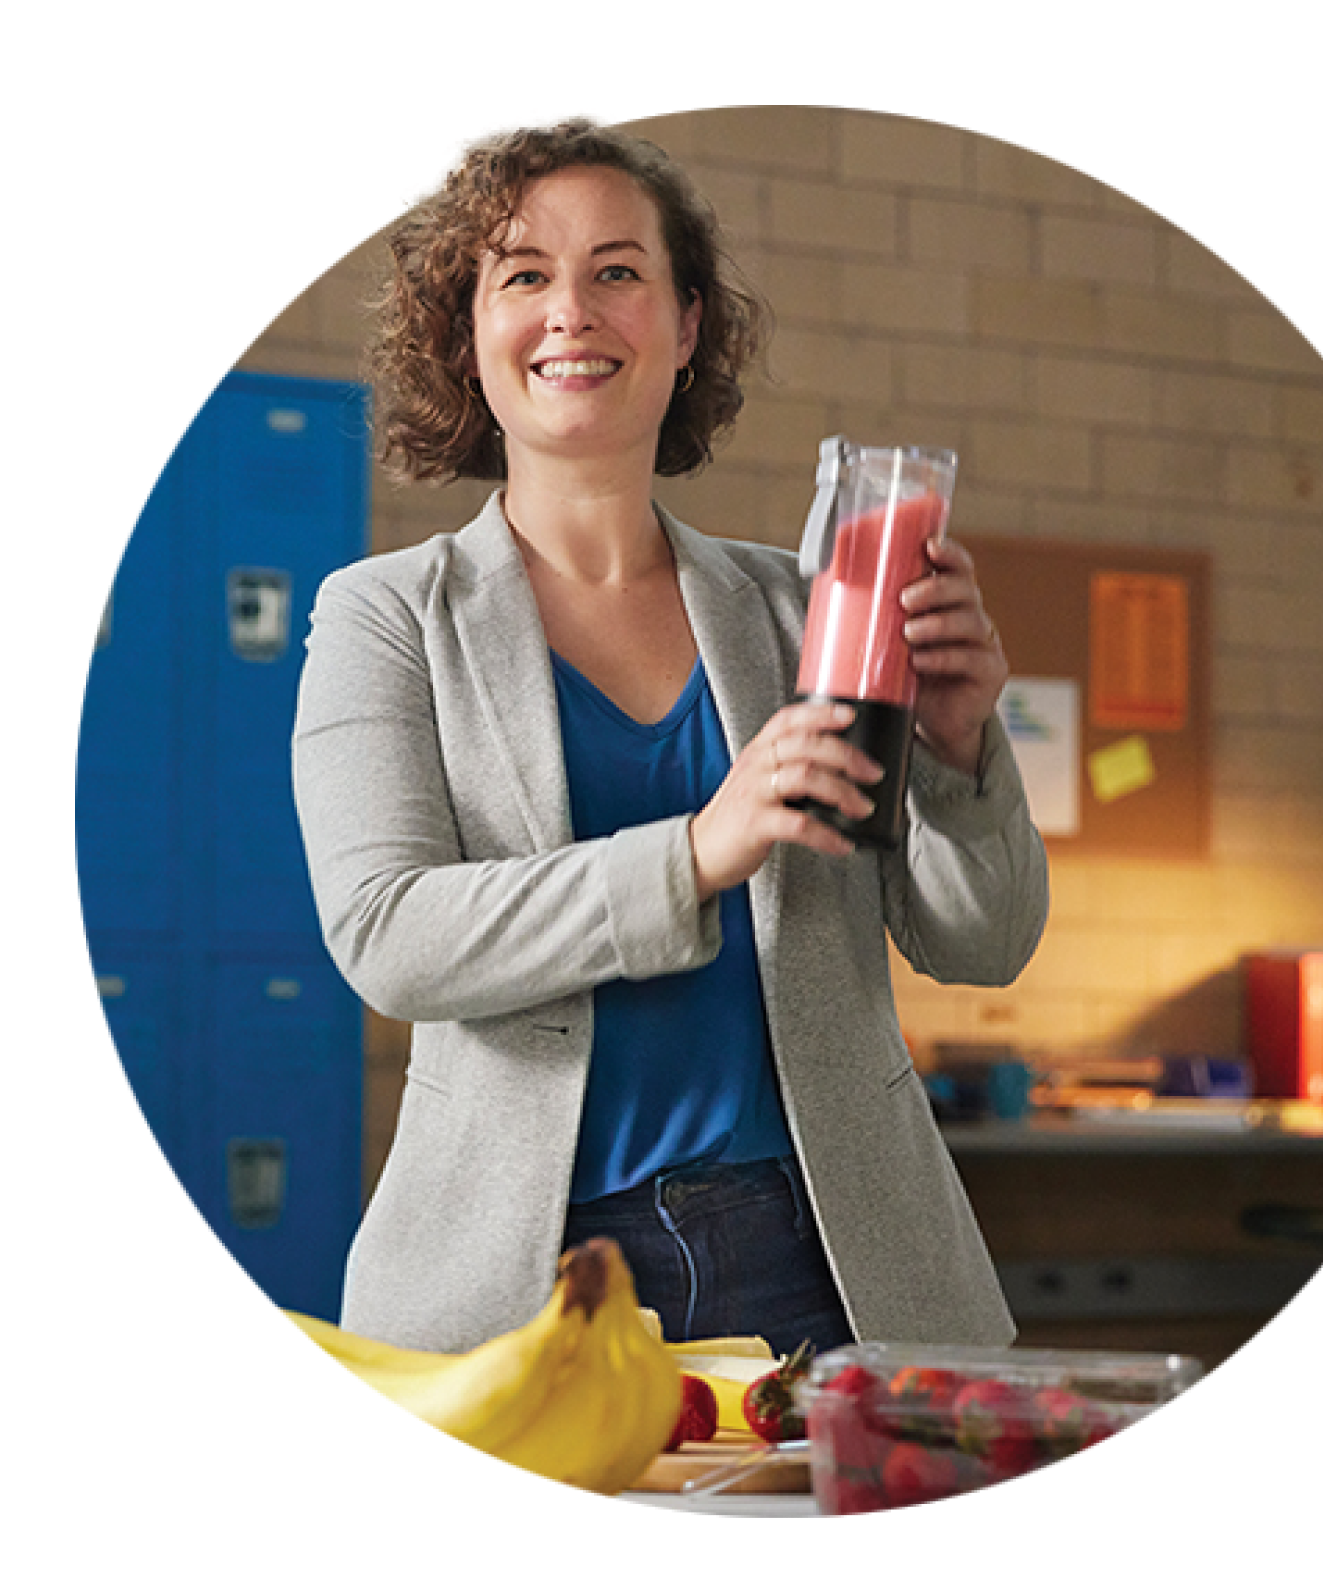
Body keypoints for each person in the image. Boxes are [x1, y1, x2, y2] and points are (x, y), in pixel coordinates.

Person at [292, 114, 1049, 1357]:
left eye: (619, 272)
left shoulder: (808, 608)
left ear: (686, 325)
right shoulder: (385, 617)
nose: (571, 311)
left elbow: (984, 942)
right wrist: (697, 851)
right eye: (524, 275)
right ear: (467, 329)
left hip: (832, 1264)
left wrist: (963, 758)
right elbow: (390, 936)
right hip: (525, 1282)